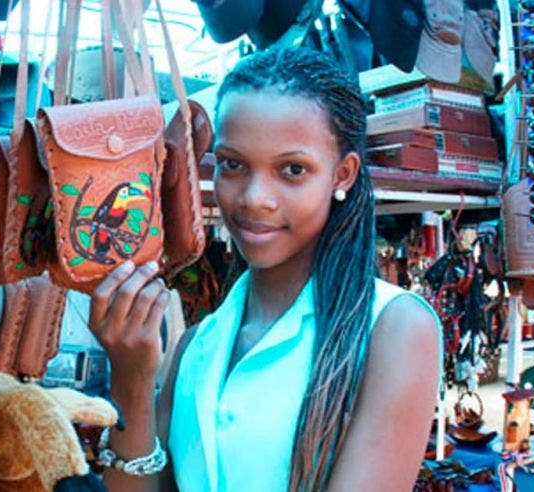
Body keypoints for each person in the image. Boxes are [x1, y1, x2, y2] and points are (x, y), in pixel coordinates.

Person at [87, 46, 440, 491]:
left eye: (292, 169)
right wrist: (131, 379)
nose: (255, 197)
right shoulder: (198, 344)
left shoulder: (394, 327)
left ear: (343, 175)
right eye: (233, 165)